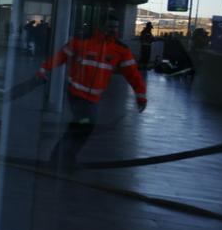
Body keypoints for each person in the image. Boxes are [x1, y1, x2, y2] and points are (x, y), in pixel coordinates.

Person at [38, 13, 147, 169]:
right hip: (76, 93)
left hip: (93, 98)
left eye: (115, 27)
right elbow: (61, 57)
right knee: (85, 123)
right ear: (101, 26)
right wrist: (44, 69)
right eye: (109, 27)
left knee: (81, 126)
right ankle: (62, 157)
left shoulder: (120, 50)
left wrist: (141, 96)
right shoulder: (83, 42)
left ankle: (62, 158)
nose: (112, 30)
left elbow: (133, 75)